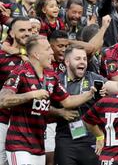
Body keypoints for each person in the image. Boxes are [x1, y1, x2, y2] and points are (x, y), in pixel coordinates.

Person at [0, 35, 96, 165]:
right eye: (47, 49)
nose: (52, 52)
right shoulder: (20, 72)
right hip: (20, 144)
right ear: (37, 55)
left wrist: (89, 94)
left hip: (39, 145)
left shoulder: (51, 76)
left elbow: (67, 101)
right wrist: (31, 95)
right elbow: (3, 100)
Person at [53, 45, 118, 165]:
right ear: (67, 62)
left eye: (84, 59)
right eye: (78, 58)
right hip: (66, 139)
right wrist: (59, 112)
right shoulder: (57, 80)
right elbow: (46, 106)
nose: (82, 61)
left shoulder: (93, 78)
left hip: (92, 138)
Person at [0, 17, 32, 165]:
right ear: (11, 33)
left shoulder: (38, 56)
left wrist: (23, 54)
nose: (27, 33)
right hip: (2, 121)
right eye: (22, 30)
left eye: (29, 30)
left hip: (28, 124)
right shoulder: (2, 56)